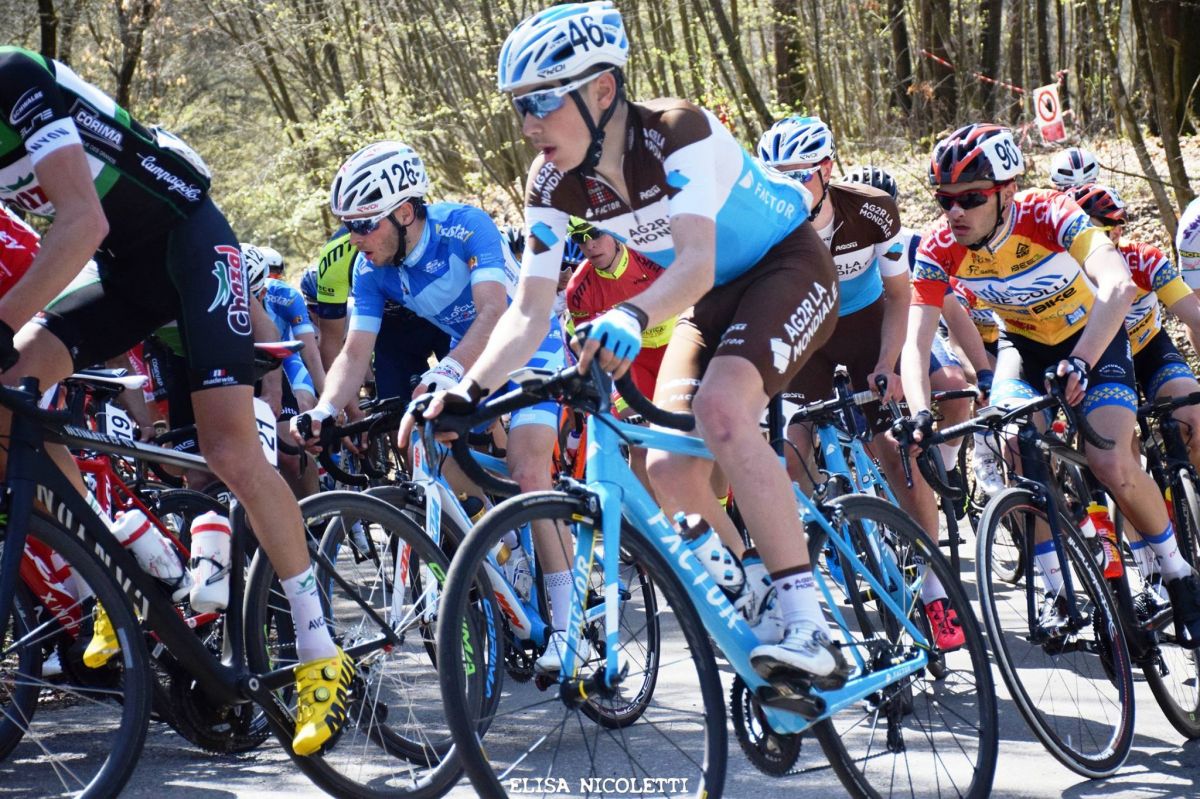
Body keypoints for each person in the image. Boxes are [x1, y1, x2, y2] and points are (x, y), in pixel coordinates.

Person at [405, 1, 851, 683]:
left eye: (542, 102)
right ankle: (761, 593)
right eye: (520, 107)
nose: (528, 126)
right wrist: (470, 387)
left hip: (784, 267)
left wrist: (633, 314)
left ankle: (809, 624)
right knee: (664, 466)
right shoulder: (554, 181)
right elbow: (527, 312)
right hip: (709, 300)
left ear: (601, 90)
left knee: (724, 412)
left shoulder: (680, 133)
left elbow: (696, 262)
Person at [0, 45, 352, 755]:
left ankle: (320, 648)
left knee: (228, 450)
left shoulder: (13, 79)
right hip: (124, 273)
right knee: (11, 398)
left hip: (189, 245)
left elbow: (82, 223)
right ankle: (124, 550)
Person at [900, 123, 1200, 645]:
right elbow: (916, 338)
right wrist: (920, 411)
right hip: (1024, 346)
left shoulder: (1046, 213)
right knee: (1015, 445)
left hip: (1094, 337)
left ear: (1007, 191)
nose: (954, 212)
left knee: (1109, 457)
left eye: (970, 198)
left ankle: (1179, 575)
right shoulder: (939, 246)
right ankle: (1059, 590)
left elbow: (1118, 283)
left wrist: (1083, 361)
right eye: (944, 199)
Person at [291, 143, 569, 667]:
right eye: (347, 226)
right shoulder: (370, 270)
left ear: (403, 212)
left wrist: (443, 372)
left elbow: (492, 313)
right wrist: (325, 410)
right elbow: (353, 351)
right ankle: (502, 548)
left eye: (364, 224)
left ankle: (567, 623)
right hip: (473, 365)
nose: (355, 239)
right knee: (435, 464)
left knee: (529, 469)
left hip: (531, 348)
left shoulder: (466, 227)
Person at [757, 120, 965, 650]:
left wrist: (888, 363)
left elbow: (900, 296)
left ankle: (937, 590)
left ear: (827, 170)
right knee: (789, 466)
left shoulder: (872, 208)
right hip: (804, 340)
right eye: (773, 177)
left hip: (866, 330)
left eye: (799, 176)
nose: (786, 188)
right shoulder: (763, 223)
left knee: (897, 456)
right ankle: (796, 605)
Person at [311, 224, 450, 399]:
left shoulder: (431, 228)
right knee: (397, 408)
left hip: (443, 313)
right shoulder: (335, 257)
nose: (357, 240)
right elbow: (331, 340)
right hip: (392, 328)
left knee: (473, 399)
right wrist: (350, 409)